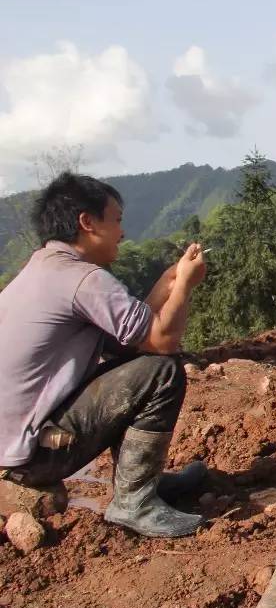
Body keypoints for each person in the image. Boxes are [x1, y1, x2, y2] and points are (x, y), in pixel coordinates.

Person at [0, 174, 209, 538]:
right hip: (33, 455)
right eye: (117, 220)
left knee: (137, 367)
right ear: (87, 222)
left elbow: (130, 340)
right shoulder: (83, 279)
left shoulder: (43, 270)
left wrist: (166, 285)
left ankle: (145, 482)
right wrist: (187, 287)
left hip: (11, 448)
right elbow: (161, 343)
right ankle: (135, 501)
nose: (122, 233)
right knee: (162, 371)